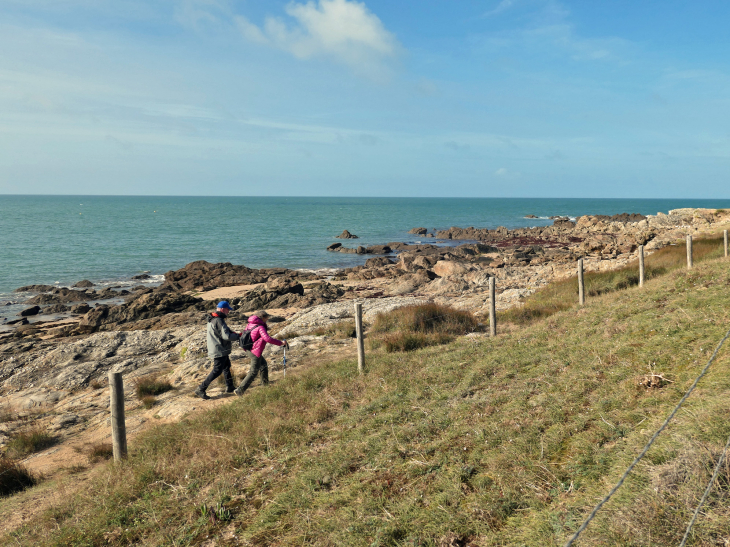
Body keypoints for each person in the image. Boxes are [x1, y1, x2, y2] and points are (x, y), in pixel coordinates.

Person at [195, 301, 242, 400]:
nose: (228, 311)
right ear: (222, 309)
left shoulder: (212, 318)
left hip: (218, 347)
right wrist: (238, 336)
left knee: (226, 366)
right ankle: (201, 389)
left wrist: (235, 334)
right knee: (217, 370)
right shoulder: (219, 320)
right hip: (219, 349)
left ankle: (230, 386)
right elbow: (226, 336)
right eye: (228, 309)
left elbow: (223, 332)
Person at [234, 310, 288, 396]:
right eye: (267, 318)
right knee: (253, 371)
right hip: (254, 350)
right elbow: (267, 339)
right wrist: (280, 343)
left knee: (263, 365)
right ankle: (240, 390)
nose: (267, 319)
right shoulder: (260, 327)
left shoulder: (250, 323)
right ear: (263, 318)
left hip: (248, 349)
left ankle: (265, 385)